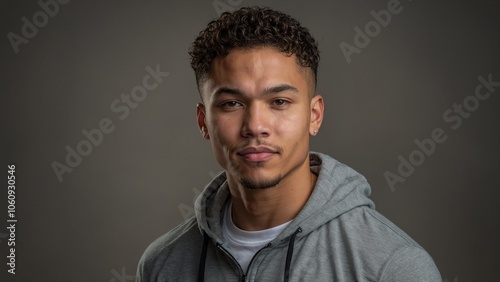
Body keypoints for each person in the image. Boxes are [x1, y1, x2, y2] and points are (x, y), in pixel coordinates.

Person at [136, 6, 441, 281]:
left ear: (314, 115)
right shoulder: (161, 265)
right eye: (231, 104)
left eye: (279, 101)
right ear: (204, 122)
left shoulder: (392, 267)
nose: (255, 126)